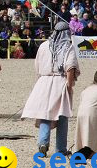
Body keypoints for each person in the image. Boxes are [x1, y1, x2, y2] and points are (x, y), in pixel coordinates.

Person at [21, 21, 80, 157]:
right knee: (62, 115)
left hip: (44, 81)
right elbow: (70, 68)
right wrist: (70, 86)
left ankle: (42, 142)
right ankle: (60, 149)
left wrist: (39, 82)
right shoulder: (67, 47)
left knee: (45, 114)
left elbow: (37, 65)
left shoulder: (43, 45)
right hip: (60, 81)